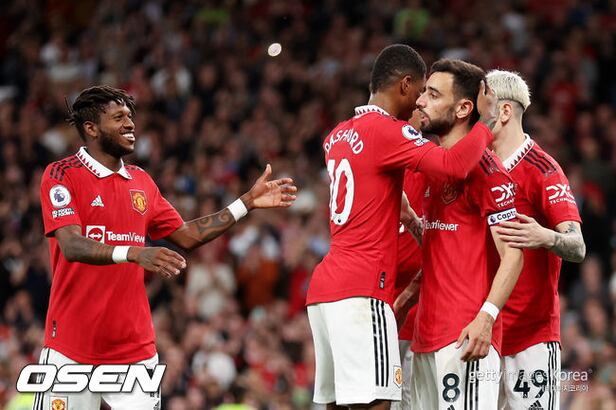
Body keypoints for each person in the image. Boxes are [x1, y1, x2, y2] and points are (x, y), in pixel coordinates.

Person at [36, 85, 297, 410]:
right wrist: (133, 252)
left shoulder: (141, 181)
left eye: (130, 116)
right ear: (91, 128)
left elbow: (187, 235)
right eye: (118, 118)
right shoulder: (62, 174)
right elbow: (72, 244)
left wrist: (245, 203)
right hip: (71, 346)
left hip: (134, 349)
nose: (130, 124)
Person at [306, 45, 498, 410]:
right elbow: (454, 166)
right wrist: (486, 124)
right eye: (421, 91)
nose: (421, 103)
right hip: (364, 289)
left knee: (338, 404)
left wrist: (408, 217)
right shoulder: (389, 131)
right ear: (405, 85)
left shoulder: (336, 135)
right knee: (380, 402)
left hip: (324, 291)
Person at [409, 59, 524, 409]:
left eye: (433, 94)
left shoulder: (488, 171)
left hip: (466, 338)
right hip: (425, 338)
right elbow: (445, 244)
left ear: (463, 108)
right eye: (424, 93)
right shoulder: (434, 165)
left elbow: (514, 256)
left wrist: (486, 318)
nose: (420, 101)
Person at [486, 70, 585, 410]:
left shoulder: (543, 169)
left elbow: (577, 245)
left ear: (504, 111)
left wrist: (545, 236)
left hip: (531, 338)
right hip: (486, 332)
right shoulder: (479, 168)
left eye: (483, 107)